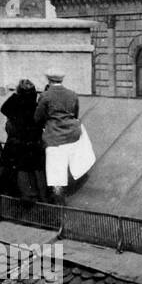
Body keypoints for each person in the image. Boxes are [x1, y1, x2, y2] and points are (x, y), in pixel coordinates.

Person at [33, 67, 96, 205]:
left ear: (48, 80)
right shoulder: (72, 94)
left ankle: (59, 210)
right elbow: (75, 114)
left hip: (55, 139)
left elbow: (38, 118)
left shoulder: (45, 96)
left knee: (56, 178)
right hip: (73, 137)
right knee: (72, 168)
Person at [0, 79, 45, 204]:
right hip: (31, 148)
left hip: (14, 146)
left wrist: (16, 94)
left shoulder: (15, 105)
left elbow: (4, 108)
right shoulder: (36, 107)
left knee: (4, 175)